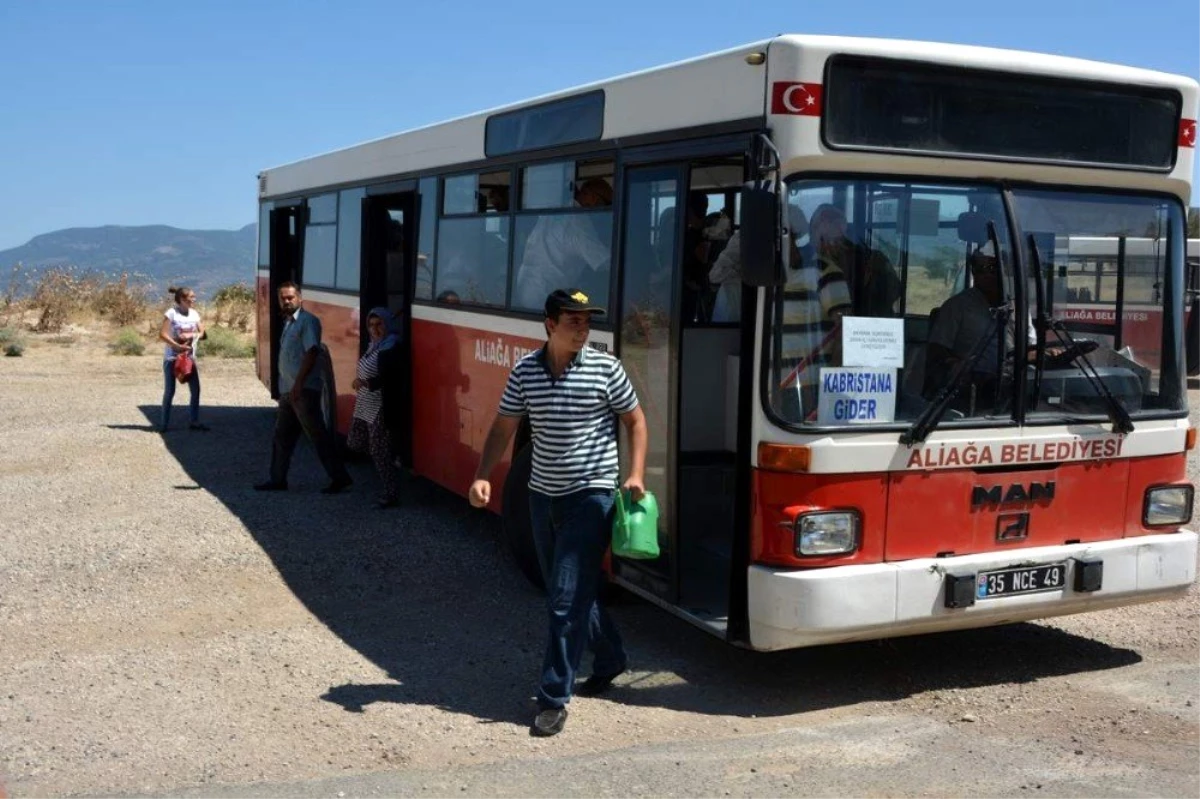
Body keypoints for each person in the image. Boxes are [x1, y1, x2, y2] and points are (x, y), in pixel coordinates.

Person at [468, 288, 648, 738]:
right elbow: (504, 426)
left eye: (587, 321)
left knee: (565, 599)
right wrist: (482, 473)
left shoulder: (607, 369)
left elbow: (635, 420)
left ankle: (552, 697)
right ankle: (610, 656)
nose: (582, 328)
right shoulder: (526, 371)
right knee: (566, 592)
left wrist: (636, 473)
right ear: (550, 324)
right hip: (541, 496)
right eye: (573, 320)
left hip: (592, 497)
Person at [254, 282, 352, 494]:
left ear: (300, 298)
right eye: (283, 298)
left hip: (303, 390)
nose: (287, 301)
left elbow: (312, 352)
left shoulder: (308, 321)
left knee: (317, 436)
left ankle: (339, 477)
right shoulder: (288, 323)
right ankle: (277, 480)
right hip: (288, 390)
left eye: (290, 297)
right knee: (281, 437)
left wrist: (298, 384)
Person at [925, 250, 1038, 409]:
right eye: (980, 269)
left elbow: (1030, 348)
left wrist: (1046, 354)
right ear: (973, 272)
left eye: (992, 268)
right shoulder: (956, 306)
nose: (986, 275)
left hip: (1014, 389)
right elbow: (936, 351)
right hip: (970, 391)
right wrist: (958, 366)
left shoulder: (1017, 308)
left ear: (1004, 271)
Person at [511, 179, 613, 309]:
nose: (606, 209)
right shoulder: (578, 222)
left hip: (527, 289)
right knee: (593, 304)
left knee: (582, 295)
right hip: (547, 297)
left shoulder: (558, 211)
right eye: (607, 203)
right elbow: (603, 262)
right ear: (592, 197)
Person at [348, 308, 403, 508]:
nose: (375, 329)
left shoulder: (391, 348)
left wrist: (367, 383)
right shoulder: (374, 346)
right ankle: (393, 457)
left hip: (379, 404)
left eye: (379, 324)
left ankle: (391, 493)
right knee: (354, 442)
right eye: (371, 325)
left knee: (378, 451)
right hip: (364, 402)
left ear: (387, 325)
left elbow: (391, 378)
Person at [808, 204, 901, 318]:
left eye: (831, 239)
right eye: (820, 238)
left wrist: (875, 278)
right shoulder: (804, 262)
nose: (826, 246)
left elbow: (893, 293)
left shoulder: (872, 260)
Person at [158, 286, 207, 432]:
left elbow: (203, 332)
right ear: (182, 299)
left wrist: (192, 335)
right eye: (191, 297)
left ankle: (194, 421)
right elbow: (162, 334)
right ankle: (164, 424)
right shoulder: (172, 313)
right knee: (170, 391)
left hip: (189, 358)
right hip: (172, 357)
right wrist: (176, 345)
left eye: (193, 297)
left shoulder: (194, 314)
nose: (194, 299)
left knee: (196, 390)